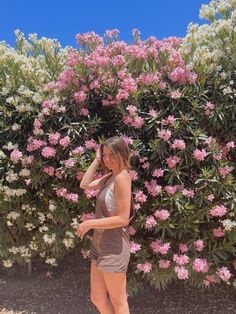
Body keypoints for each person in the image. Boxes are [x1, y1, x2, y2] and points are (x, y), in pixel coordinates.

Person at [76, 136, 133, 314]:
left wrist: (91, 223)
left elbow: (123, 218)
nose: (107, 159)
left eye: (111, 155)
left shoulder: (122, 178)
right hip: (100, 245)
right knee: (98, 298)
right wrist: (96, 159)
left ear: (123, 154)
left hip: (114, 247)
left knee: (119, 303)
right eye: (105, 155)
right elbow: (84, 184)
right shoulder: (110, 177)